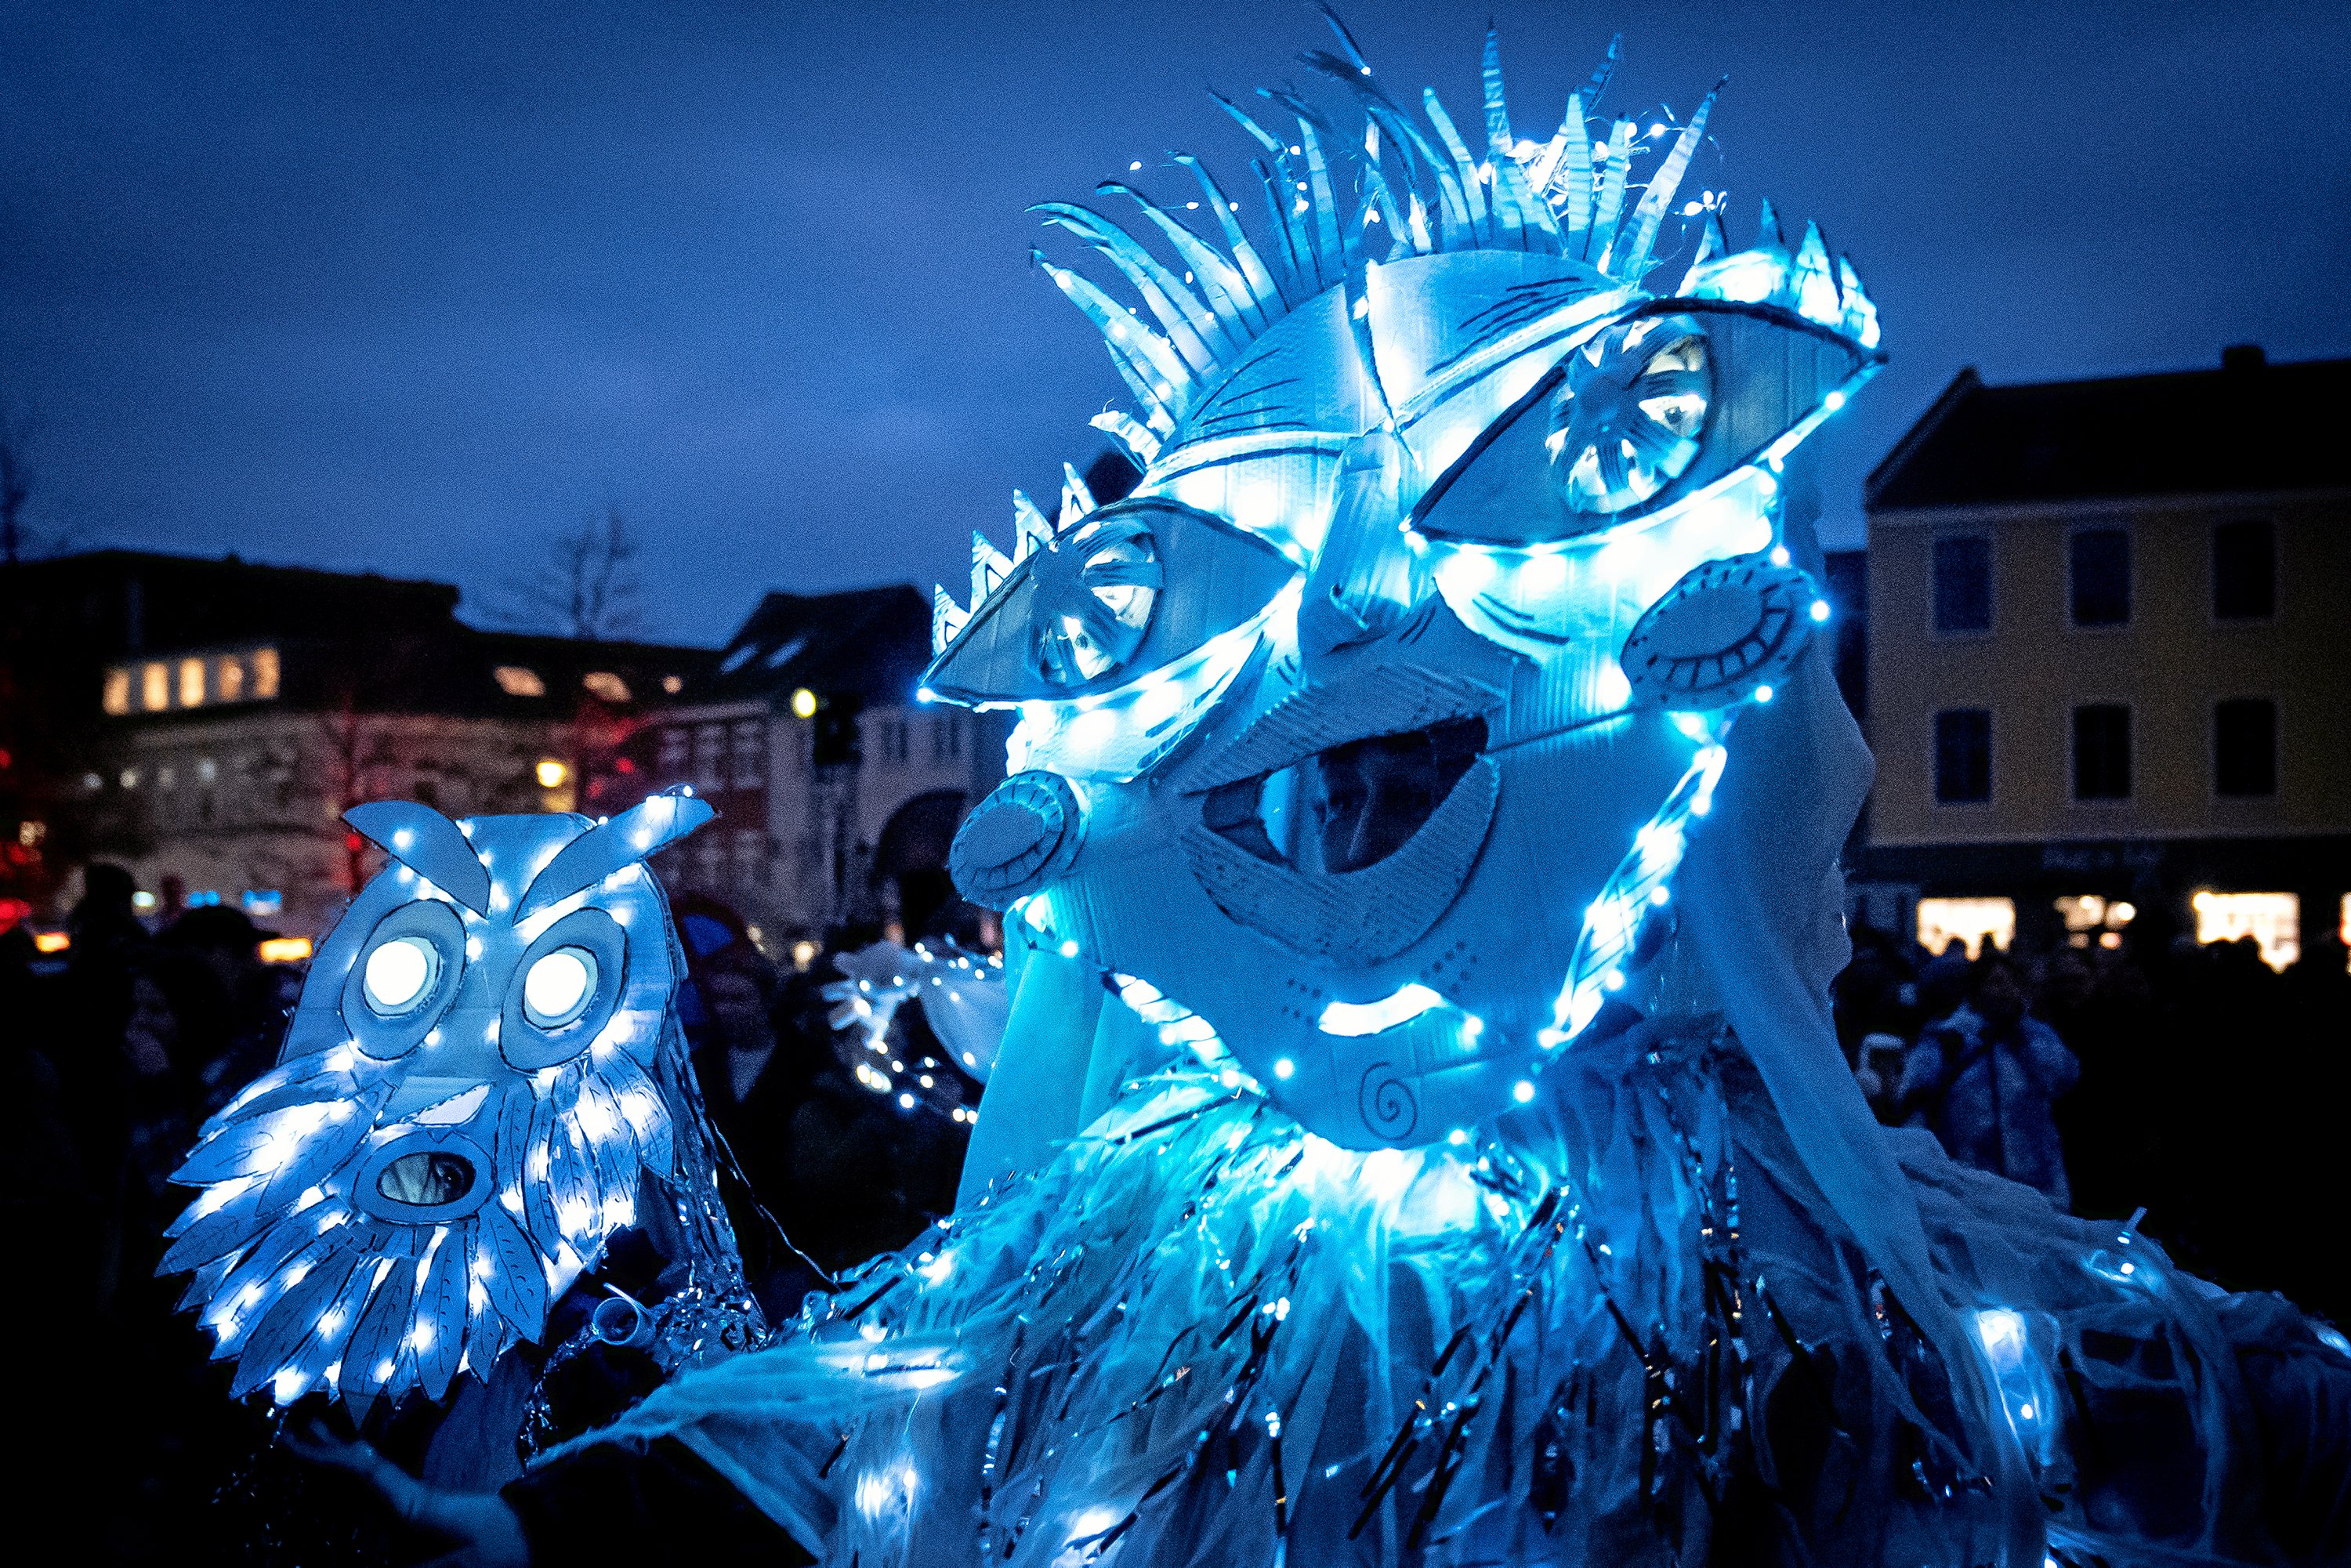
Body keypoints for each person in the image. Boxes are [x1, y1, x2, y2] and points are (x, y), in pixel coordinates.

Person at [1899, 951, 2081, 1208]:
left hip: (2037, 1179)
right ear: (1976, 989)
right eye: (1995, 982)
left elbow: (2065, 1077)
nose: (2004, 990)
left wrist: (2023, 1034)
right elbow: (1914, 1102)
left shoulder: (2036, 1036)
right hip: (1969, 1178)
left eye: (2010, 983)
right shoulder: (1948, 1038)